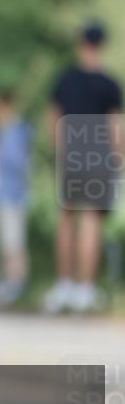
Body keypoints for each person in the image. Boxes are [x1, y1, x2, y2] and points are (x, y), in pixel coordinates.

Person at [44, 22, 123, 313]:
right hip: (99, 156)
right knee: (91, 220)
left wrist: (57, 153)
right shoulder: (110, 84)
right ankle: (84, 289)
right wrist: (119, 159)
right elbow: (116, 127)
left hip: (72, 154)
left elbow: (53, 118)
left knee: (66, 219)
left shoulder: (65, 79)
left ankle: (64, 284)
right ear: (101, 45)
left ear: (81, 43)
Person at [0, 90, 32, 306]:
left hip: (14, 196)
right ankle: (4, 282)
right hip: (5, 195)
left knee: (14, 242)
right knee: (5, 241)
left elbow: (19, 164)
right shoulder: (7, 131)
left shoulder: (15, 131)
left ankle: (16, 284)